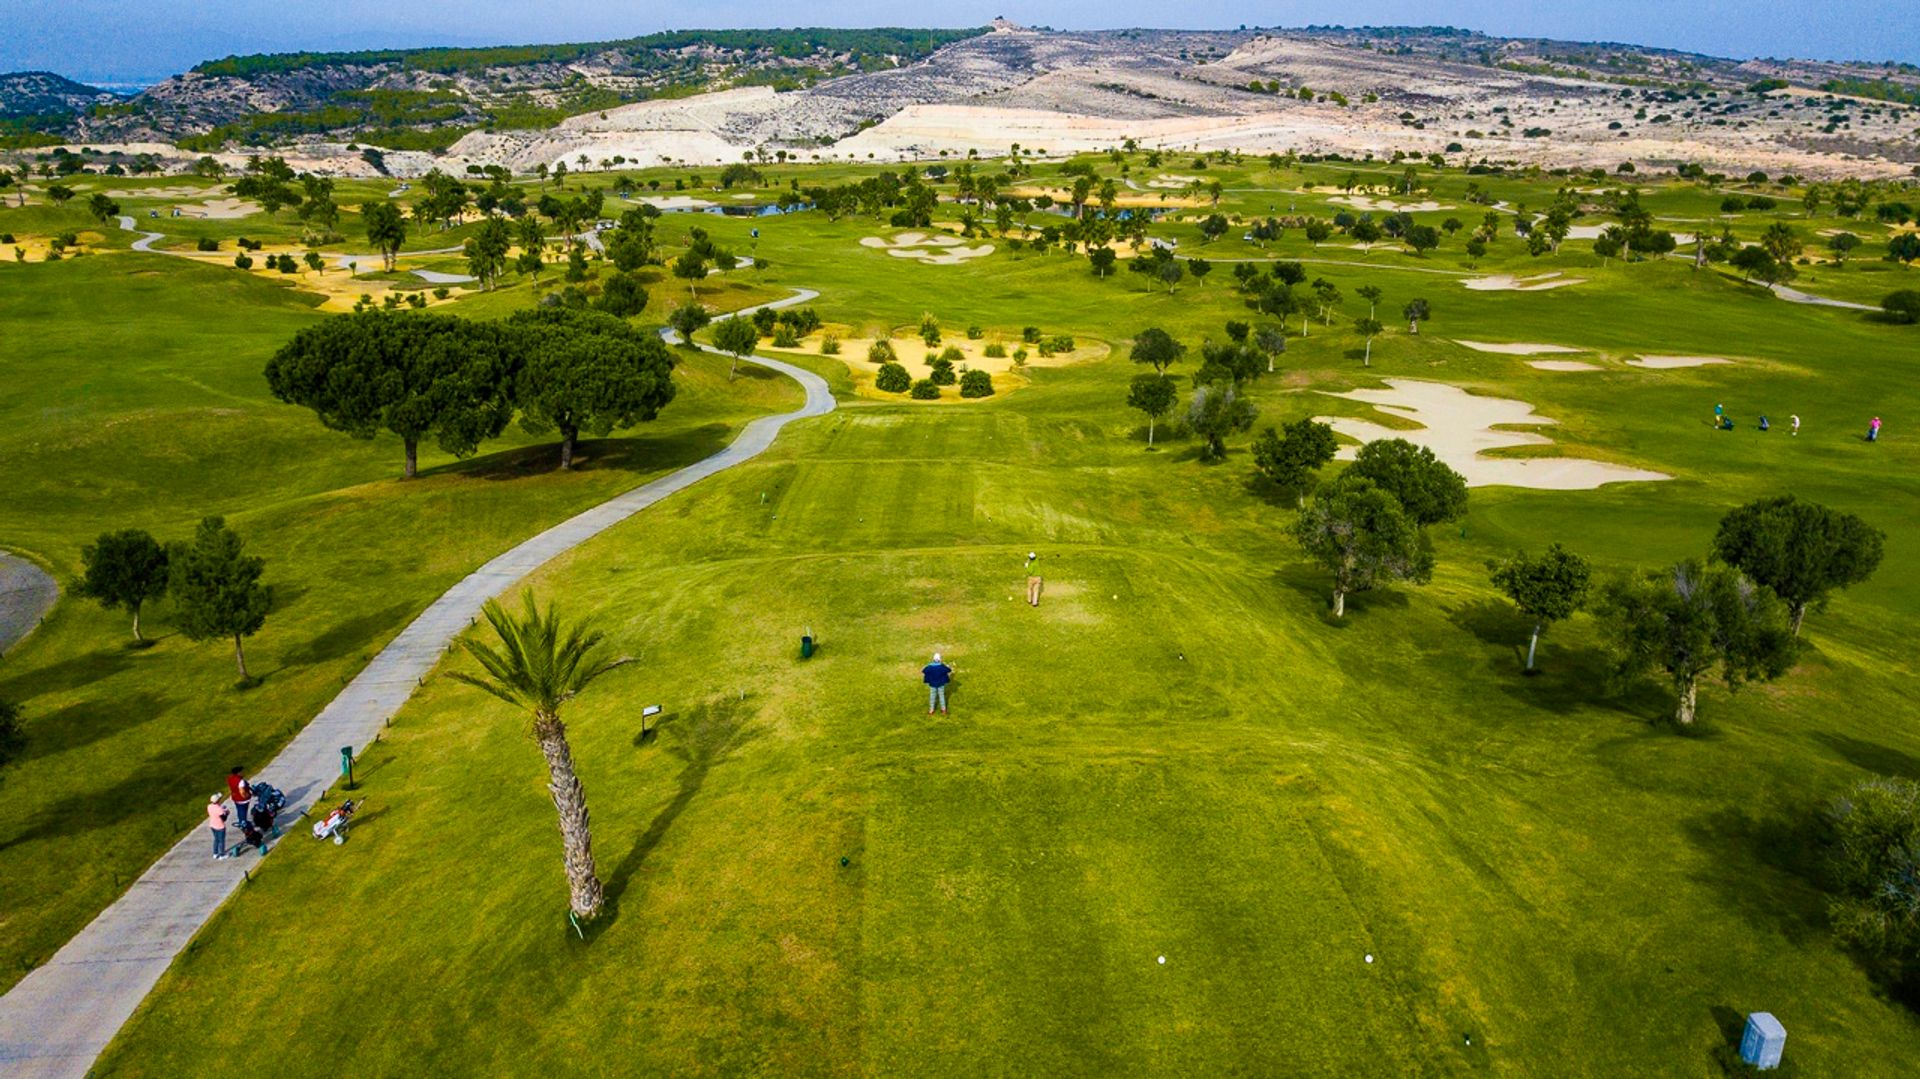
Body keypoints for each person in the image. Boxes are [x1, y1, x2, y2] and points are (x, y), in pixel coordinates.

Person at [206, 794, 229, 860]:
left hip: (212, 825)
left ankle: (215, 853)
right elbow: (224, 819)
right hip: (220, 826)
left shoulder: (209, 806)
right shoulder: (219, 809)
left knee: (216, 839)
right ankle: (222, 855)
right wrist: (227, 813)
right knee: (221, 841)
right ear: (218, 800)